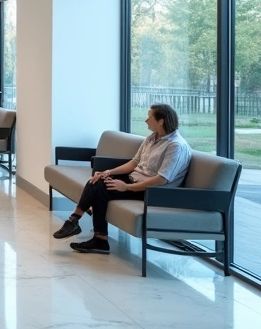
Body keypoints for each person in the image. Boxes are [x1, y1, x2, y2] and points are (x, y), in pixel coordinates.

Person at [52, 104, 191, 254]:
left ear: (161, 121)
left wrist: (126, 187)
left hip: (154, 191)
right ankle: (81, 226)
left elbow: (161, 180)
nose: (146, 120)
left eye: (149, 116)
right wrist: (108, 172)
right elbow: (134, 162)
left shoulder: (176, 146)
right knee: (97, 179)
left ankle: (88, 232)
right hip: (136, 179)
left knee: (100, 189)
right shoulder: (152, 138)